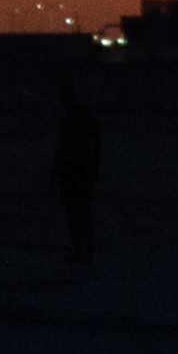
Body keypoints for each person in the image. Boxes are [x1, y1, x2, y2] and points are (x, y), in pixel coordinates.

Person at [51, 82, 104, 262]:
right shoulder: (82, 116)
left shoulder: (67, 118)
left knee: (75, 213)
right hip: (81, 169)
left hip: (74, 169)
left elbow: (62, 147)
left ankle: (81, 251)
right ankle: (85, 251)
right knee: (81, 212)